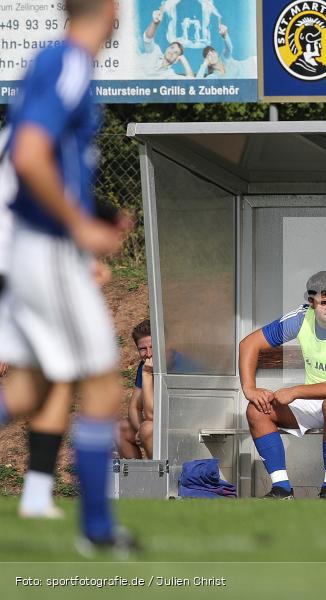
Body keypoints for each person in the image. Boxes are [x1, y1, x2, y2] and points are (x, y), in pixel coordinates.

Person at [0, 0, 136, 553]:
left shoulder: (57, 62)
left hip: (39, 248)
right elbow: (29, 156)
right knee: (102, 382)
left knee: (30, 387)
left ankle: (47, 498)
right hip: (44, 248)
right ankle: (99, 532)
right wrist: (80, 227)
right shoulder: (68, 63)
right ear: (106, 8)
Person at [238, 271, 326, 499]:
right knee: (257, 410)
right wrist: (249, 389)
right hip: (319, 400)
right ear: (311, 302)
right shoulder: (301, 318)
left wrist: (294, 392)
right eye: (324, 302)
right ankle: (282, 488)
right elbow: (248, 344)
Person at [117, 320, 155, 460]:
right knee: (121, 429)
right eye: (143, 349)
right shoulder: (144, 366)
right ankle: (135, 480)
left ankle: (158, 478)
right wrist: (139, 430)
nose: (149, 354)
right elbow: (134, 407)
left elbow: (151, 416)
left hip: (183, 428)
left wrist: (147, 375)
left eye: (152, 347)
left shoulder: (175, 364)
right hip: (157, 426)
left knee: (148, 429)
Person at [140, 9, 194, 77]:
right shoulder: (155, 52)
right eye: (172, 48)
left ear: (177, 60)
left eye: (176, 53)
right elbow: (148, 39)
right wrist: (154, 23)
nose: (172, 52)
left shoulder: (170, 75)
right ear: (167, 48)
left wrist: (183, 59)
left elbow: (191, 81)